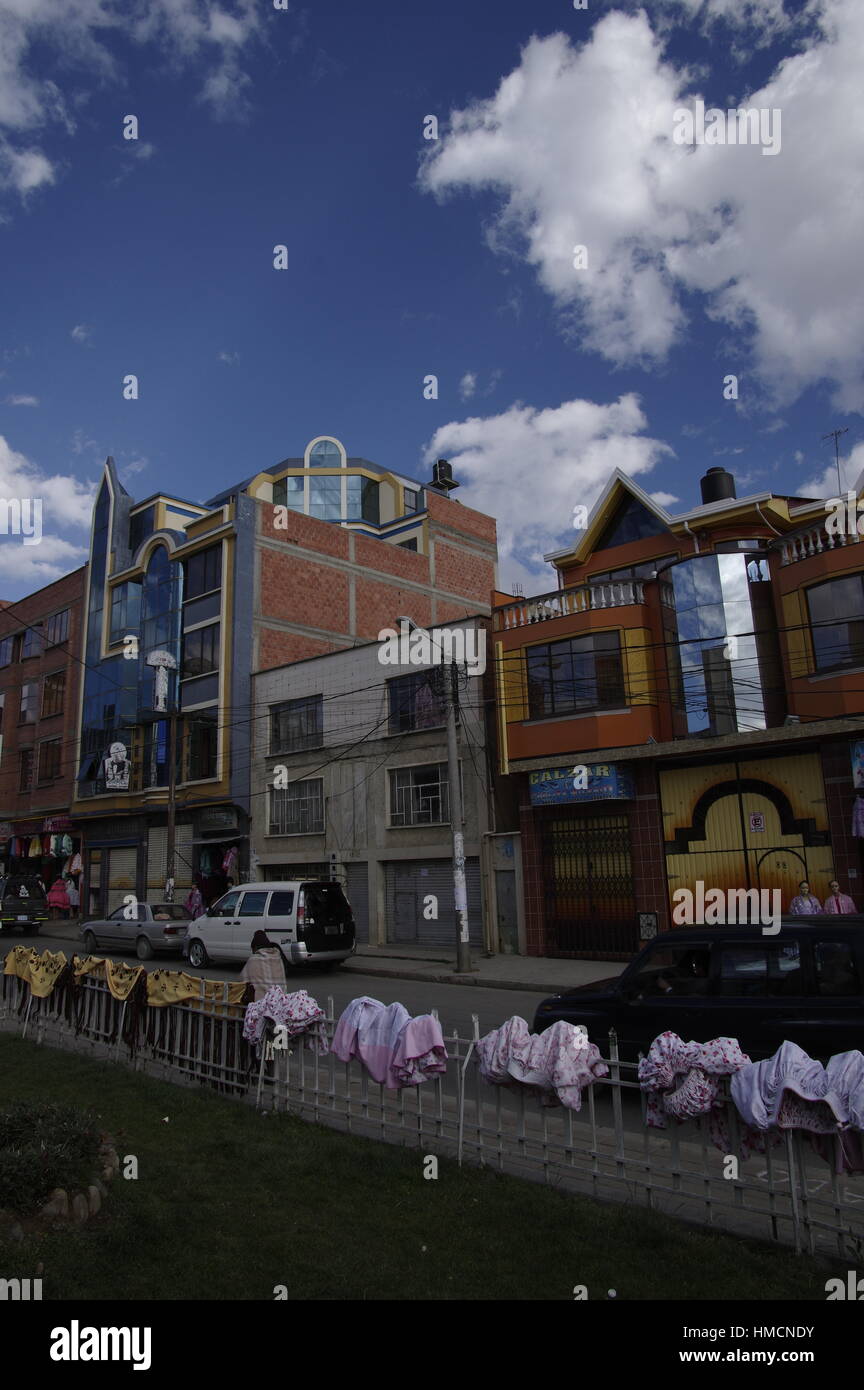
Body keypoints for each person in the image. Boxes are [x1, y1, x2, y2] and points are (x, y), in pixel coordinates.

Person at [240, 930, 287, 1001]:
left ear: (255, 947)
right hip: (281, 1002)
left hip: (262, 1004)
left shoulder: (254, 959)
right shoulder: (278, 958)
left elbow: (242, 981)